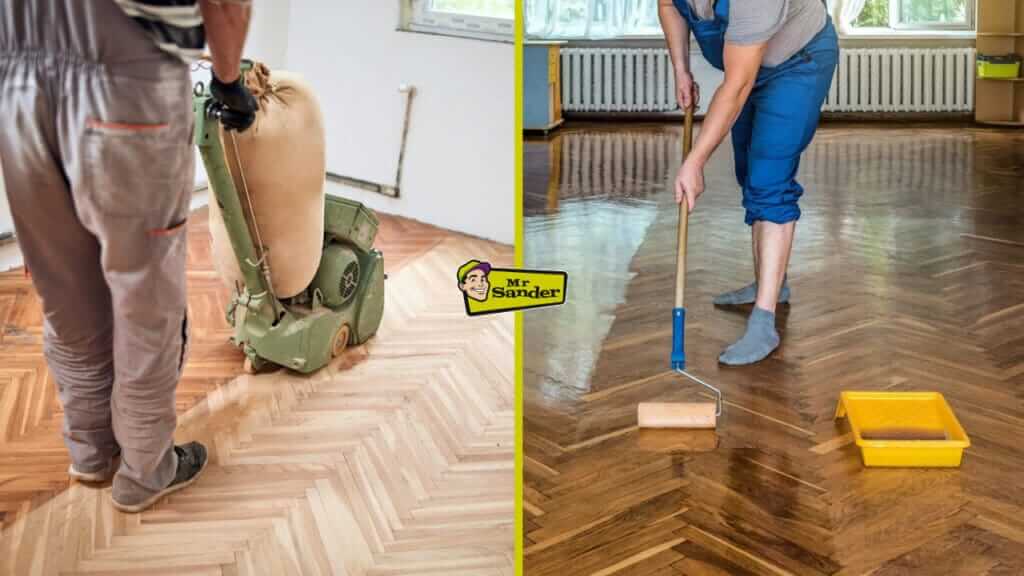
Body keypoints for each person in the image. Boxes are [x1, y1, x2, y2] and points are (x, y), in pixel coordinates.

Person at [0, 0, 258, 513]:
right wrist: (229, 80)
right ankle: (146, 470)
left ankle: (92, 453)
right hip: (125, 89)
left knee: (66, 292)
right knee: (145, 299)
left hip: (16, 89)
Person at [658, 0, 839, 365]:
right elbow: (668, 5)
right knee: (749, 173)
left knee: (769, 179)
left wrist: (695, 161)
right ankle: (772, 282)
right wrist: (681, 70)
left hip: (797, 64)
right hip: (747, 65)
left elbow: (738, 85)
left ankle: (764, 320)